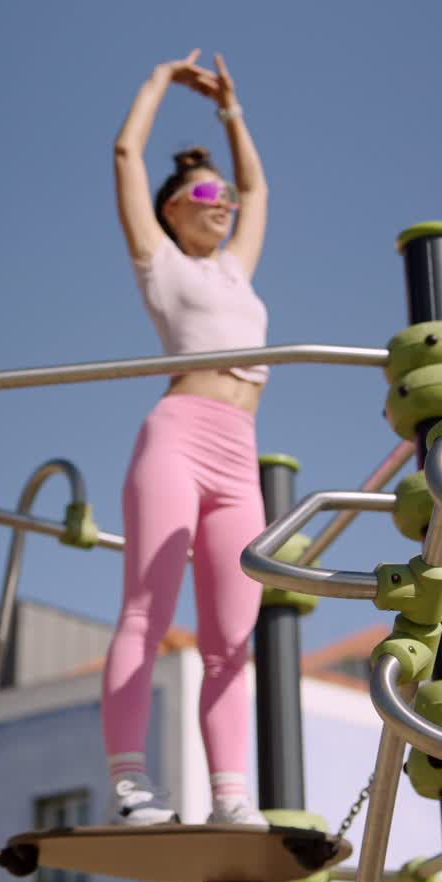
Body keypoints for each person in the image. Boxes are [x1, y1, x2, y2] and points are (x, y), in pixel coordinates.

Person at [102, 50, 270, 827]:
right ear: (171, 209)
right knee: (148, 607)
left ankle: (231, 797)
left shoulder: (238, 271)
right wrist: (161, 84)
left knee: (233, 636)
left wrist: (231, 111)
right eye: (206, 194)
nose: (224, 203)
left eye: (224, 197)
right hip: (177, 438)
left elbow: (261, 187)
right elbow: (127, 153)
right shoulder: (161, 264)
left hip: (242, 455)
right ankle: (133, 784)